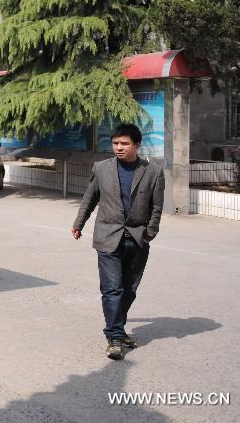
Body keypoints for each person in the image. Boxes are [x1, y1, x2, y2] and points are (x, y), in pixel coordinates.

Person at [71, 124, 165, 360]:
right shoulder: (101, 168)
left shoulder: (153, 171)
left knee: (129, 290)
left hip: (137, 238)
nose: (119, 148)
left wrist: (149, 233)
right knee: (112, 288)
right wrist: (78, 224)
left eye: (124, 143)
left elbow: (156, 207)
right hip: (107, 236)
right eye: (115, 143)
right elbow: (90, 198)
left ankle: (118, 330)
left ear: (136, 145)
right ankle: (114, 336)